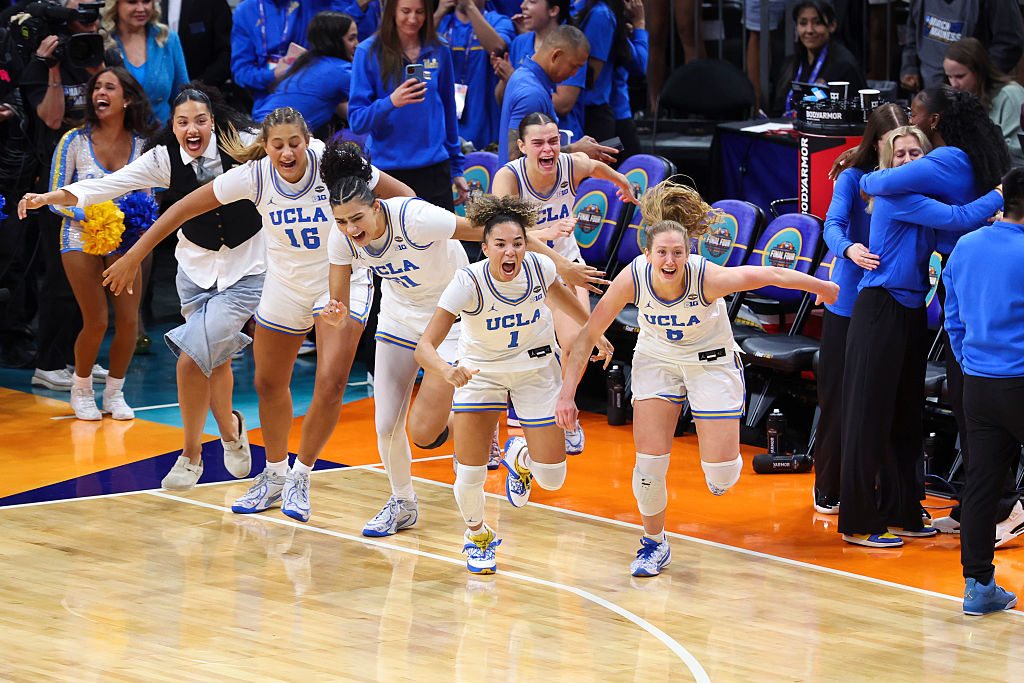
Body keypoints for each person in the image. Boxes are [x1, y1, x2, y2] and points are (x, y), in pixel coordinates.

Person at [100, 107, 414, 521]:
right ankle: (275, 474)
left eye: (295, 144)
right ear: (265, 147)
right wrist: (135, 253)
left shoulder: (332, 164)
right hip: (284, 285)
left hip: (339, 280)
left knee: (332, 381)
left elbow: (405, 197)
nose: (287, 153)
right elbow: (180, 211)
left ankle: (302, 476)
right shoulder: (254, 176)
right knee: (267, 383)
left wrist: (381, 244)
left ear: (308, 141)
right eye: (278, 145)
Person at [322, 139, 607, 537]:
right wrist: (335, 317)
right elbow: (338, 306)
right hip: (397, 321)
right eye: (341, 222)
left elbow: (491, 229)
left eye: (356, 219)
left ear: (375, 206)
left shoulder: (417, 218)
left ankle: (487, 434)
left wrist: (560, 264)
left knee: (427, 431)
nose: (351, 230)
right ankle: (403, 502)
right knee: (390, 426)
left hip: (451, 321)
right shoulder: (342, 238)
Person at [555, 179, 840, 576]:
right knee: (648, 466)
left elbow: (770, 273)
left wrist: (823, 287)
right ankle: (654, 543)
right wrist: (567, 393)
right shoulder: (633, 278)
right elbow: (586, 337)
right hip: (657, 360)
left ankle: (722, 461)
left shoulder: (707, 277)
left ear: (689, 253)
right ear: (647, 253)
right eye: (662, 253)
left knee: (720, 476)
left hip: (711, 362)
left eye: (678, 252)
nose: (670, 261)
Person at [21, 87, 265, 490]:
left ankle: (191, 456)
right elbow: (107, 185)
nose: (192, 128)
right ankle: (230, 430)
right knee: (215, 360)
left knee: (192, 356)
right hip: (195, 270)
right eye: (183, 121)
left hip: (247, 267)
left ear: (214, 120)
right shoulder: (162, 158)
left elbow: (292, 141)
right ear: (173, 125)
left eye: (200, 120)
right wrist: (49, 196)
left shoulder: (240, 142)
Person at [414, 195, 611, 574]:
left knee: (552, 479)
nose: (510, 252)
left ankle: (518, 456)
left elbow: (562, 299)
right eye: (500, 244)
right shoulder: (467, 281)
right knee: (470, 472)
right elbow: (425, 347)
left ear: (526, 245)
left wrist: (594, 332)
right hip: (480, 373)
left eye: (518, 243)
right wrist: (444, 369)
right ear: (484, 247)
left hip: (536, 370)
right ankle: (477, 536)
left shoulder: (539, 267)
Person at [840, 125, 1005, 548]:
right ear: (889, 162)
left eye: (917, 153)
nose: (909, 160)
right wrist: (1001, 194)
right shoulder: (897, 197)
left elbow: (957, 231)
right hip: (880, 309)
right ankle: (859, 520)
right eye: (900, 155)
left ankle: (903, 511)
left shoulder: (921, 198)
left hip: (912, 311)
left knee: (905, 417)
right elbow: (958, 219)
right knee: (870, 415)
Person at [492, 111, 632, 451]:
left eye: (553, 141)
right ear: (522, 146)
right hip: (518, 268)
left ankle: (565, 413)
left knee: (576, 343)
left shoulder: (571, 164)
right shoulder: (508, 178)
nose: (547, 148)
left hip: (566, 266)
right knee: (503, 355)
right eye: (538, 142)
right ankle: (491, 434)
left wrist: (623, 183)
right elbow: (502, 232)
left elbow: (597, 166)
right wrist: (545, 232)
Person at [27, 67, 156, 421]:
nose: (100, 92)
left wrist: (136, 226)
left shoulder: (144, 145)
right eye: (96, 87)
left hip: (126, 245)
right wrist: (91, 216)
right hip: (78, 238)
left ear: (126, 98)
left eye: (109, 87)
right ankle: (81, 389)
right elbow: (54, 198)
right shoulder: (74, 140)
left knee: (129, 321)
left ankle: (115, 392)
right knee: (96, 320)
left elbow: (151, 199)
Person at [19, 0, 122, 392]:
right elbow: (50, 117)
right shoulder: (42, 63)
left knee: (93, 284)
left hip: (98, 181)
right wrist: (55, 65)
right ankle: (48, 362)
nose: (87, 24)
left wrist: (98, 67)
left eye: (93, 16)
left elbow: (116, 106)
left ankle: (80, 357)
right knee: (61, 281)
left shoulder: (103, 57)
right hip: (56, 180)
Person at [813, 102, 908, 515]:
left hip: (890, 302)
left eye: (906, 143)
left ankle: (886, 494)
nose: (900, 152)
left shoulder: (911, 178)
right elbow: (831, 226)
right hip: (848, 301)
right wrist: (850, 248)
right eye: (891, 144)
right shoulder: (853, 178)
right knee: (838, 398)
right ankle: (829, 486)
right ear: (876, 143)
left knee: (885, 404)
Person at [944, 166, 1024, 616]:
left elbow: (952, 313)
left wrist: (972, 359)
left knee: (980, 486)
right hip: (1020, 379)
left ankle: (978, 587)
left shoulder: (967, 244)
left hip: (978, 382)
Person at [348, 0, 468, 209]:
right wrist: (391, 102)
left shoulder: (439, 48)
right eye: (406, 11)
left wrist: (456, 168)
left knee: (442, 241)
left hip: (434, 169)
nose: (413, 19)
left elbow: (449, 110)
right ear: (391, 11)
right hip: (388, 173)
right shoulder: (367, 51)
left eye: (420, 12)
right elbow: (357, 121)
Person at [497, 24, 616, 164]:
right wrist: (575, 150)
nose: (574, 74)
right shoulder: (532, 94)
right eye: (574, 66)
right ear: (556, 56)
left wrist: (578, 148)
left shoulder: (522, 75)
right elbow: (517, 159)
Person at [492, 0, 586, 145]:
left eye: (532, 1)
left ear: (553, 10)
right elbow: (519, 155)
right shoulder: (520, 43)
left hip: (561, 142)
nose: (523, 6)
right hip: (541, 157)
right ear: (555, 56)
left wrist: (512, 77)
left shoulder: (573, 46)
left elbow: (564, 104)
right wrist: (506, 78)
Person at [230, 0, 345, 113]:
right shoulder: (245, 10)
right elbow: (241, 72)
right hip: (268, 103)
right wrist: (273, 75)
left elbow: (346, 26)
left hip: (313, 98)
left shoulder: (313, 4)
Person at [254, 11, 359, 134]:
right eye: (351, 38)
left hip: (257, 131)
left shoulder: (305, 62)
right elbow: (366, 115)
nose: (357, 44)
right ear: (334, 41)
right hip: (272, 137)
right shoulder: (341, 71)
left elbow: (345, 110)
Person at [435, 0, 515, 151]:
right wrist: (439, 13)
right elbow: (414, 47)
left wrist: (470, 7)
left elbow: (497, 48)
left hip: (485, 126)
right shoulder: (441, 22)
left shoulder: (499, 21)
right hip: (443, 127)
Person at [900, 0, 1024, 92]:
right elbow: (912, 31)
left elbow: (1010, 43)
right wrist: (909, 67)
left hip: (974, 99)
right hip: (928, 94)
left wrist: (982, 79)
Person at [101, 0, 189, 124]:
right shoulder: (103, 42)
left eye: (146, 1)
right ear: (115, 5)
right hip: (117, 137)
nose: (141, 8)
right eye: (132, 2)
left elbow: (183, 98)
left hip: (162, 137)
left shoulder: (168, 39)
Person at [775, 0, 865, 117]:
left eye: (817, 23)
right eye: (803, 23)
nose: (809, 30)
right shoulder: (794, 61)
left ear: (832, 25)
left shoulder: (844, 64)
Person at [943, 38, 1024, 166]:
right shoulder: (958, 100)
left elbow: (1018, 152)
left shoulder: (1010, 94)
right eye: (949, 76)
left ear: (979, 72)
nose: (954, 84)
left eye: (960, 76)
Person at [573, 0, 628, 142]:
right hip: (579, 113)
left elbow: (590, 77)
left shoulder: (601, 15)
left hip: (594, 114)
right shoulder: (570, 7)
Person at [159, 0, 233, 91]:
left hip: (204, 94)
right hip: (161, 94)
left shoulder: (213, 3)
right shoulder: (151, 5)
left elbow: (228, 52)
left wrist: (198, 86)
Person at [610, 0, 646, 160]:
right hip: (615, 119)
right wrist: (640, 23)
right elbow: (639, 66)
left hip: (604, 116)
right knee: (630, 177)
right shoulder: (606, 20)